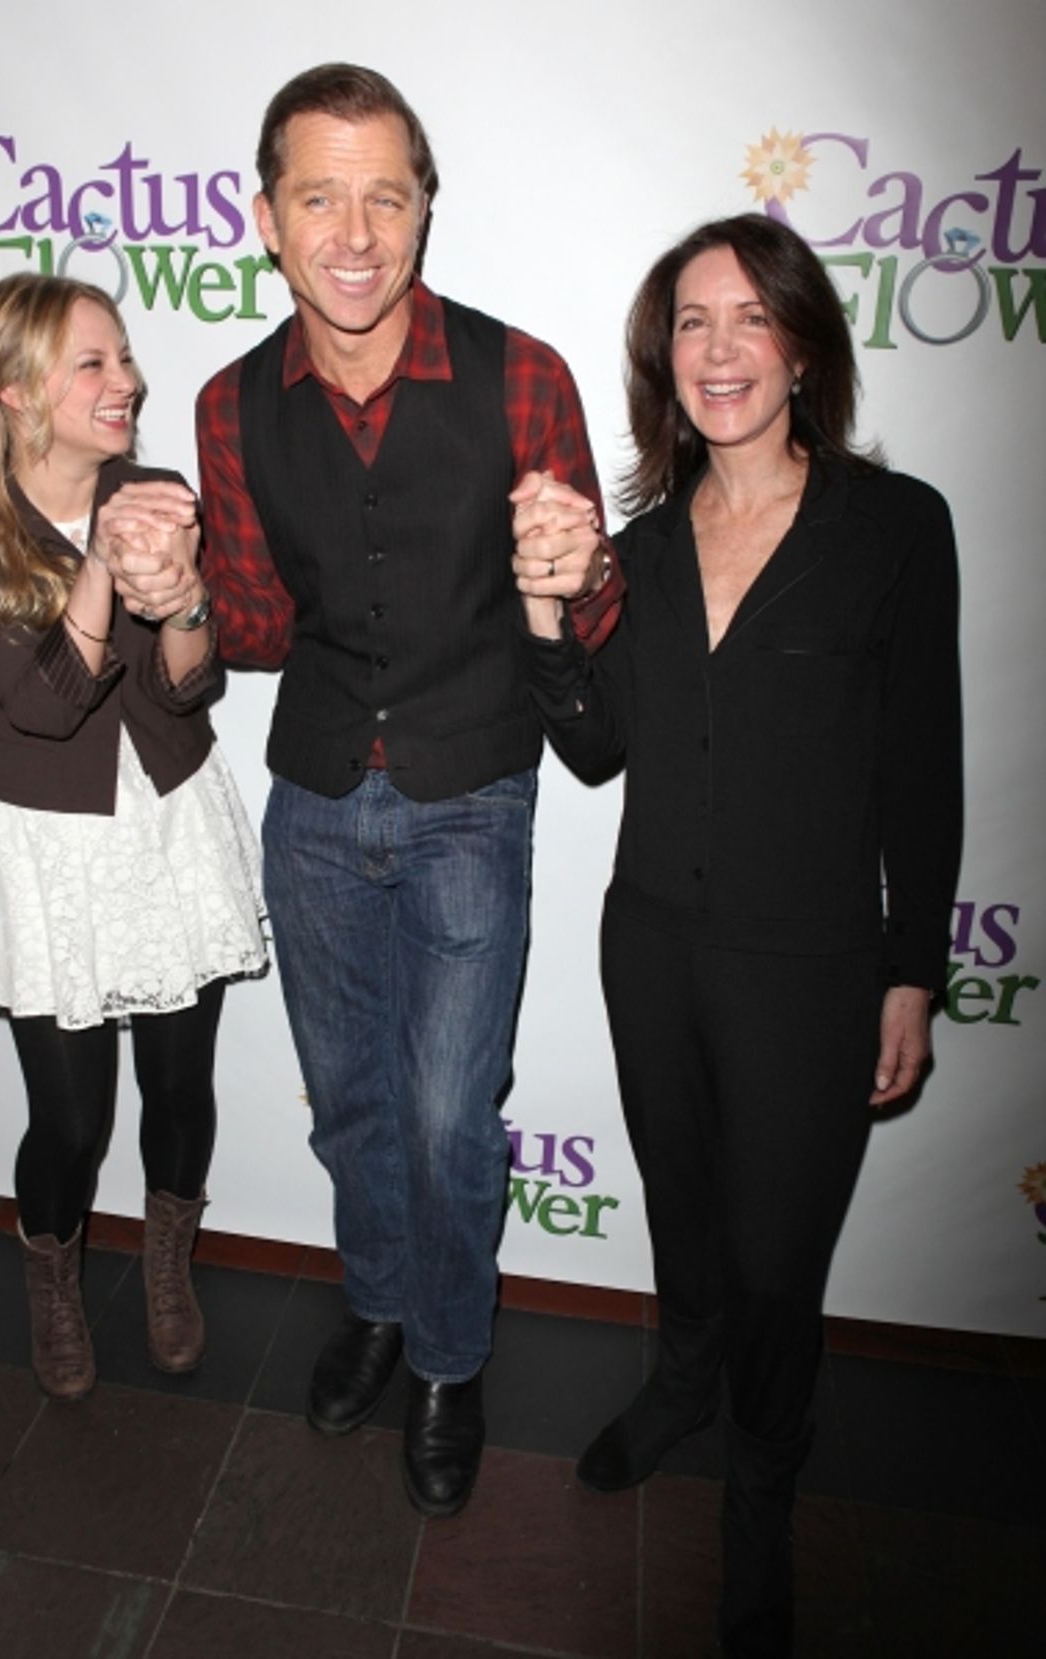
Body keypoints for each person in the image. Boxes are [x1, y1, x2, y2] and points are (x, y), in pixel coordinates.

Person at [111, 62, 617, 1517]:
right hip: (319, 800)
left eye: (383, 195)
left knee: (454, 1113)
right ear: (266, 218)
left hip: (474, 791)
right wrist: (177, 595)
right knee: (349, 1104)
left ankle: (451, 1358)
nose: (353, 229)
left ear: (424, 212)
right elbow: (248, 640)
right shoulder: (229, 402)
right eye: (318, 195)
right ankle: (382, 1306)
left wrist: (577, 571)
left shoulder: (523, 375)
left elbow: (589, 631)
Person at [512, 214, 962, 1654]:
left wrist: (915, 966)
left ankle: (762, 1486)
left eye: (748, 319)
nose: (719, 350)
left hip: (812, 964)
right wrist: (546, 620)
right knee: (687, 1211)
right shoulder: (637, 550)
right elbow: (595, 753)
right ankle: (683, 1377)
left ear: (802, 344)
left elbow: (922, 766)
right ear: (666, 359)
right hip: (651, 946)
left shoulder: (895, 527)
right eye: (692, 324)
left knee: (782, 1258)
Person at [0, 273, 268, 1403]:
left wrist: (189, 598)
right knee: (69, 1119)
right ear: (17, 392)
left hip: (166, 829)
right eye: (96, 365)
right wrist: (110, 564)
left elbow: (186, 696)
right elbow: (45, 703)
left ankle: (167, 1268)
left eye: (126, 359)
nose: (131, 383)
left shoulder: (158, 488)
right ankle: (53, 1281)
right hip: (45, 850)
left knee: (178, 1090)